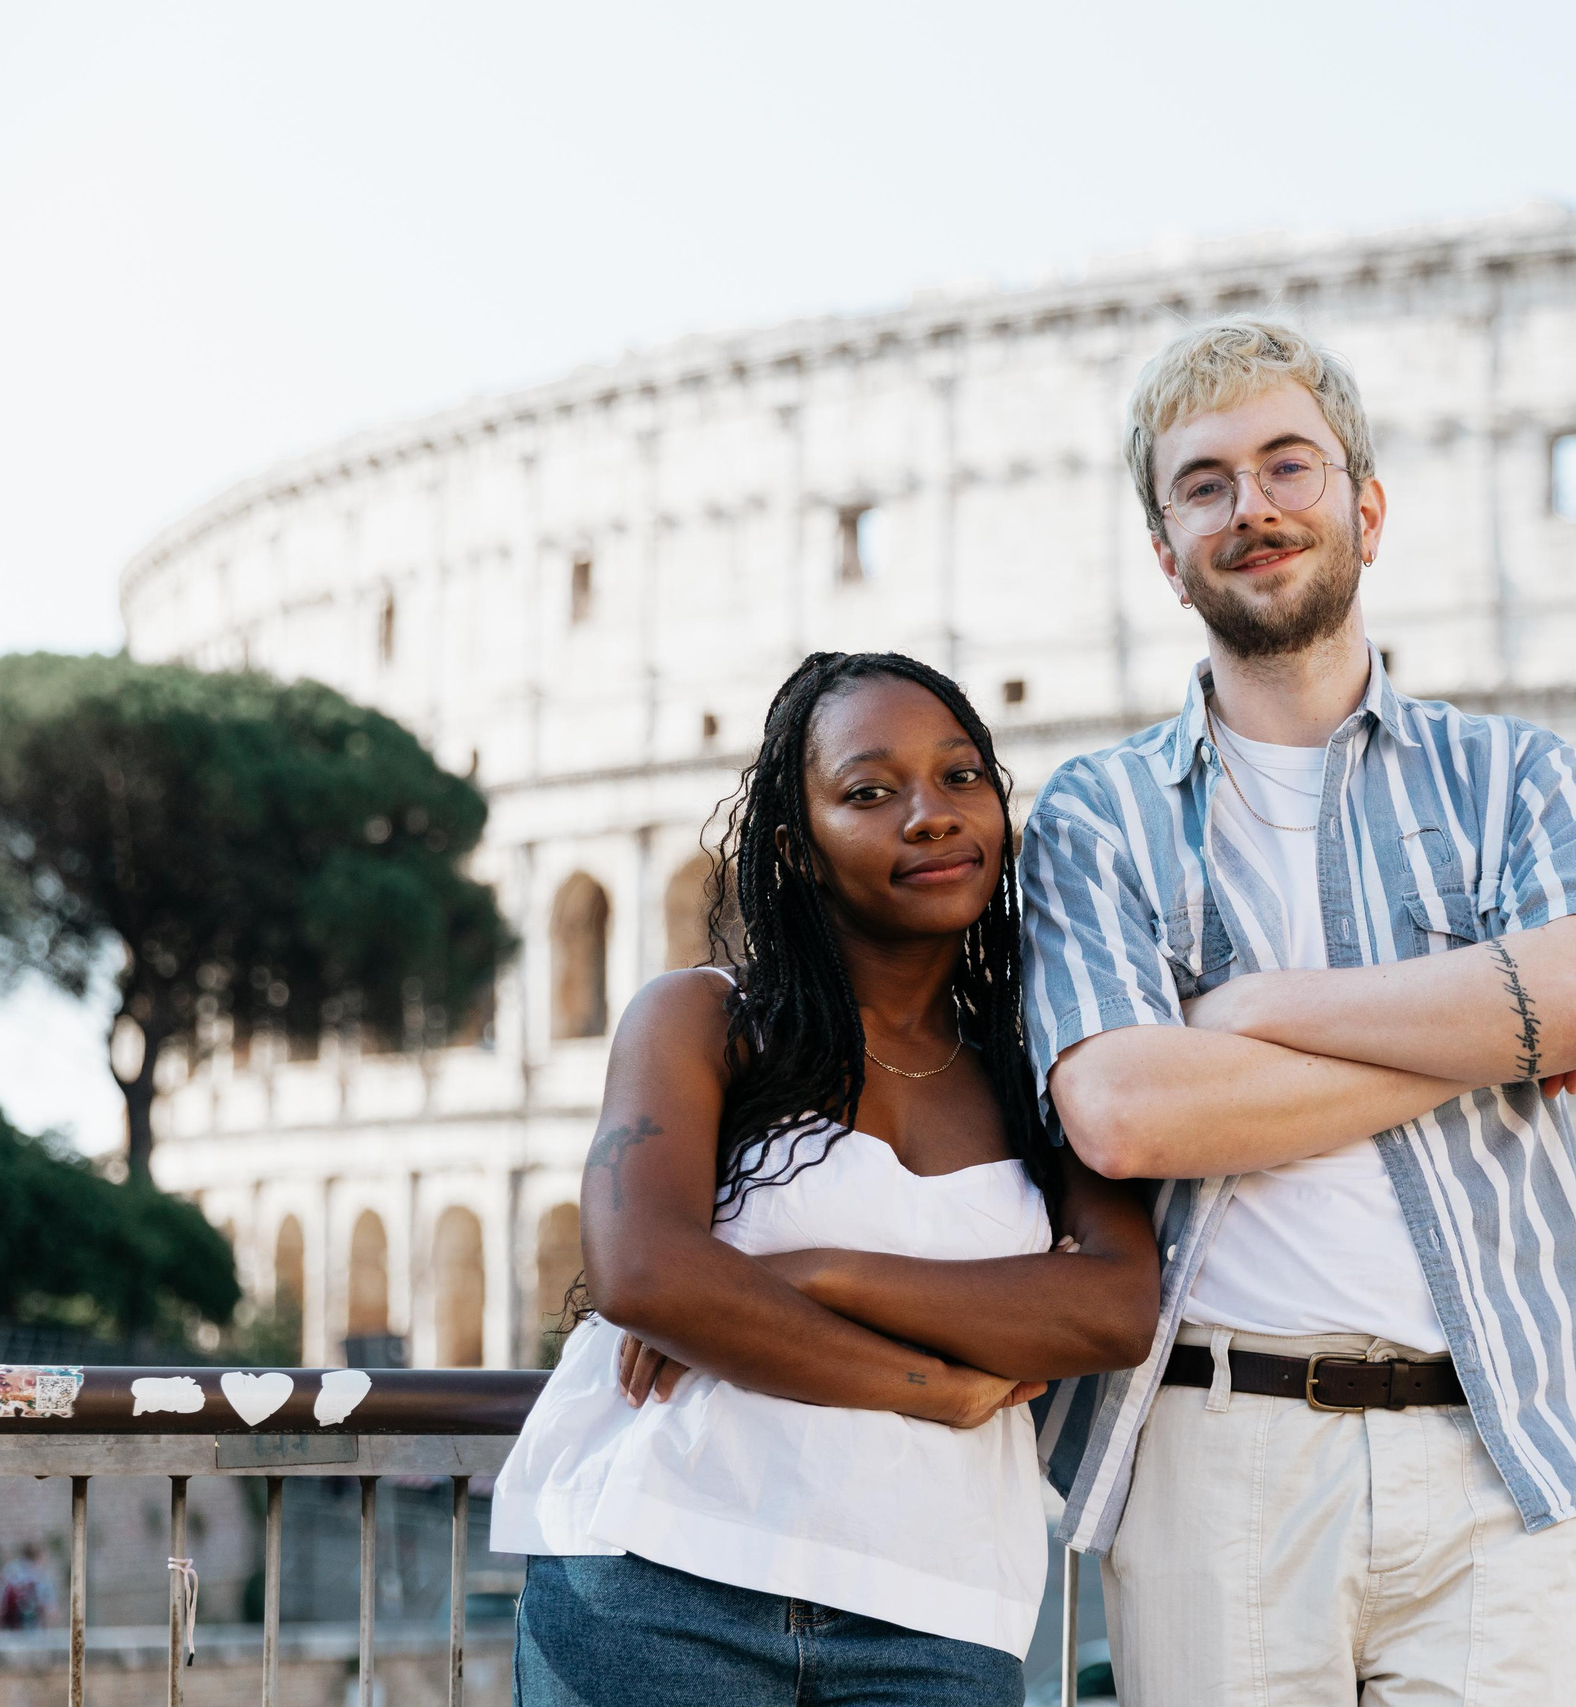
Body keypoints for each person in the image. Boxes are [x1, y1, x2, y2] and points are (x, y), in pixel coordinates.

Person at [1020, 319, 1576, 1705]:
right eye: (1204, 485)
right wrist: (1482, 1040)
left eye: (1287, 466)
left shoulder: (1518, 774)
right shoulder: (1098, 810)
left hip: (1500, 1444)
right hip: (1215, 1450)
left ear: (1365, 510)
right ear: (1165, 552)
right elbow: (1125, 1113)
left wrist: (1256, 1009)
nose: (1251, 508)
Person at [492, 652, 1160, 1705]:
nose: (932, 815)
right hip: (661, 1574)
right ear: (798, 847)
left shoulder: (1041, 1063)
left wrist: (816, 1273)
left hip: (935, 1615)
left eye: (961, 777)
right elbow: (645, 1277)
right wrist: (935, 1384)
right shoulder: (704, 1018)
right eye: (870, 792)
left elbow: (1114, 1310)